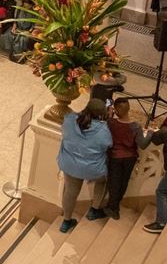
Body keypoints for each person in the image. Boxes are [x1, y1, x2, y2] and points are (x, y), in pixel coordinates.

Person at [57, 99, 112, 232]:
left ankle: (66, 222)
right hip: (93, 170)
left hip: (70, 165)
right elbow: (108, 145)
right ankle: (94, 210)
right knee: (103, 181)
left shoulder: (70, 120)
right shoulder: (103, 131)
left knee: (70, 191)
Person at [103, 99, 152, 219]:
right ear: (129, 109)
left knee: (114, 182)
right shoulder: (135, 126)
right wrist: (150, 133)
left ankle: (113, 208)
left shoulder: (111, 123)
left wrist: (110, 113)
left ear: (115, 110)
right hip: (130, 158)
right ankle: (114, 206)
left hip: (115, 157)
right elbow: (142, 144)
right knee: (124, 182)